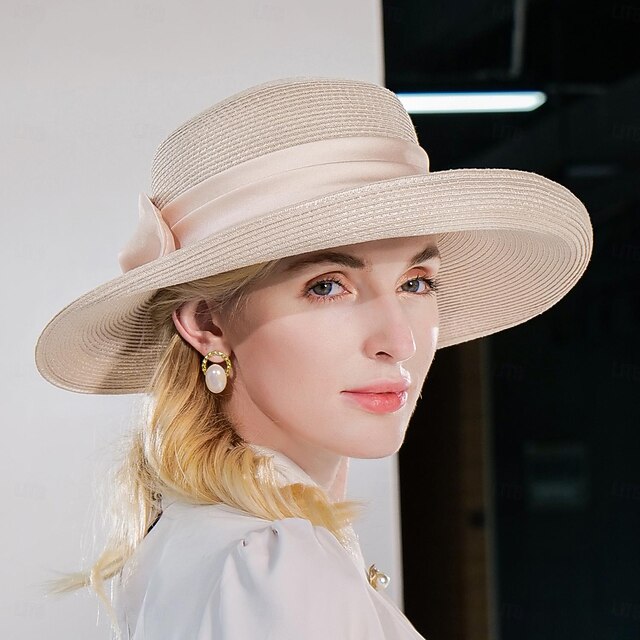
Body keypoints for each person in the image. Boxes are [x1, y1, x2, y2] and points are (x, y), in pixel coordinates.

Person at [34, 76, 593, 639]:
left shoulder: (194, 542)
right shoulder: (276, 565)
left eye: (416, 282)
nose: (398, 341)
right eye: (327, 286)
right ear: (207, 324)